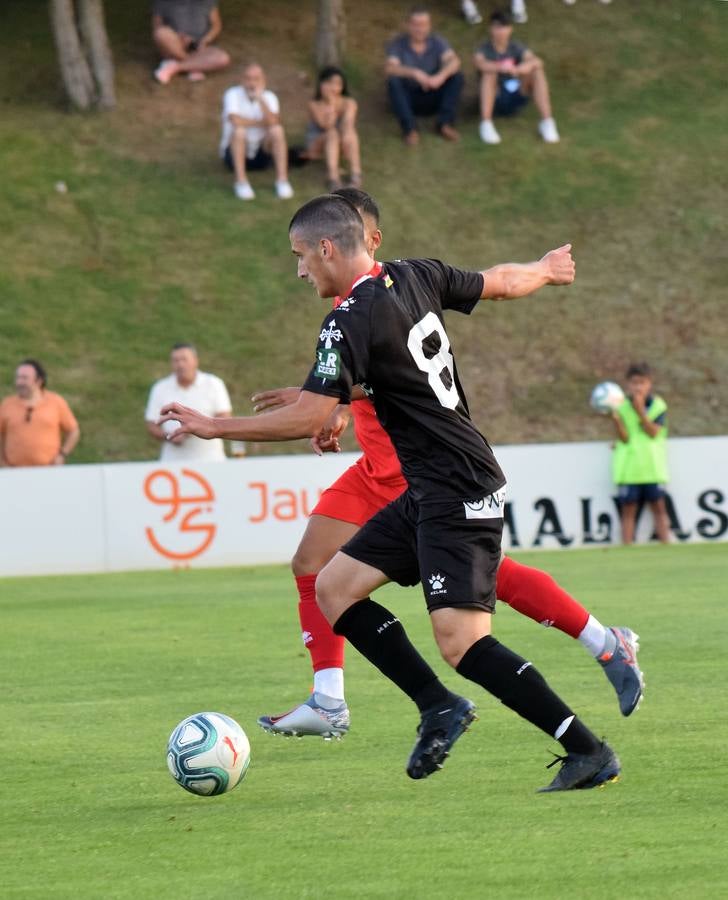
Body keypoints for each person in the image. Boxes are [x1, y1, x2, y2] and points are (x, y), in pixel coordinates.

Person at [158, 195, 621, 792]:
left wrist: (215, 426)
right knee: (333, 585)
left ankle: (587, 750)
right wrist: (545, 269)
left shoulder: (347, 319)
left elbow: (309, 416)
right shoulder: (415, 274)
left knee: (463, 644)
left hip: (457, 486)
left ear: (327, 248)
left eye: (300, 256)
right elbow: (499, 282)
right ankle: (438, 708)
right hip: (430, 487)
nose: (299, 270)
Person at [253, 188, 643, 741]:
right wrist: (338, 403)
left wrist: (324, 403)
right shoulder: (396, 288)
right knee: (318, 567)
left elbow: (388, 373)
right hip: (389, 471)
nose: (302, 268)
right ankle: (331, 697)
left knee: (478, 592)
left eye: (304, 254)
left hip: (418, 470)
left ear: (353, 244)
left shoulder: (369, 304)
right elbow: (378, 372)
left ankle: (598, 658)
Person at [474, 10, 559, 145]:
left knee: (536, 70)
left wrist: (521, 68)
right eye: (497, 27)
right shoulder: (484, 49)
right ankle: (486, 123)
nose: (501, 31)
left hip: (516, 91)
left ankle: (547, 121)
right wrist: (500, 67)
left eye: (504, 27)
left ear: (510, 29)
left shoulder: (516, 47)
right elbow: (480, 63)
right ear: (491, 29)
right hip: (496, 97)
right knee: (489, 73)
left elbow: (537, 61)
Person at [385, 7, 465, 145]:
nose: (420, 29)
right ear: (408, 25)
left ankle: (444, 124)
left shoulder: (437, 41)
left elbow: (455, 61)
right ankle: (410, 129)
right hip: (410, 97)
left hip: (434, 92)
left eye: (423, 25)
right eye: (416, 25)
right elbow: (390, 68)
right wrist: (414, 73)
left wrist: (441, 76)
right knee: (394, 82)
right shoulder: (398, 44)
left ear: (429, 26)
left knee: (457, 77)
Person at [611, 362, 670, 544]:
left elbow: (653, 432)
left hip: (652, 465)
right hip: (630, 467)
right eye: (634, 383)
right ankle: (627, 546)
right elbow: (624, 438)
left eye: (642, 382)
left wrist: (640, 411)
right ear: (628, 384)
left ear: (649, 383)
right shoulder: (620, 406)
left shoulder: (658, 405)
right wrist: (616, 422)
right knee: (628, 509)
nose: (638, 387)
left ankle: (667, 544)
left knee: (659, 506)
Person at [145, 343, 232, 462]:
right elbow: (152, 424)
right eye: (176, 360)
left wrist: (190, 431)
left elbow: (225, 417)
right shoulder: (160, 388)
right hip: (172, 463)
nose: (180, 364)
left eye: (184, 359)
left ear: (195, 361)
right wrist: (169, 436)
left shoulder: (213, 384)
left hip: (211, 460)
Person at [219, 63, 294, 201]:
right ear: (242, 79)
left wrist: (260, 99)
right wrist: (261, 123)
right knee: (239, 132)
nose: (251, 83)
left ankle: (282, 180)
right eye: (248, 79)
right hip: (234, 153)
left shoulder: (269, 97)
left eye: (256, 79)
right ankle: (241, 182)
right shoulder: (232, 94)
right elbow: (235, 120)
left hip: (261, 152)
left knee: (277, 131)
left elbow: (274, 121)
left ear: (263, 80)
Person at [0, 359, 80, 467]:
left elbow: (73, 431)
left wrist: (62, 455)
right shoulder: (6, 405)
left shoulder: (55, 402)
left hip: (48, 470)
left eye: (24, 378)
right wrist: (2, 462)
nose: (19, 382)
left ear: (39, 381)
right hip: (15, 472)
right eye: (18, 377)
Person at [304, 67, 362, 192]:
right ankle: (333, 178)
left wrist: (346, 135)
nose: (333, 88)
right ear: (321, 84)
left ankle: (356, 174)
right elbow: (325, 126)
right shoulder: (314, 104)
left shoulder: (349, 103)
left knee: (350, 132)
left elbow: (348, 122)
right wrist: (331, 105)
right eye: (329, 83)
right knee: (332, 134)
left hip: (342, 141)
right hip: (317, 144)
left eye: (337, 84)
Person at [152, 0, 230, 84]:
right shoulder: (162, 2)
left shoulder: (207, 2)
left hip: (199, 45)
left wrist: (206, 40)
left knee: (223, 58)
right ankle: (194, 65)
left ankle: (175, 67)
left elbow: (216, 25)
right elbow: (157, 26)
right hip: (175, 43)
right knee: (161, 33)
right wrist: (178, 36)